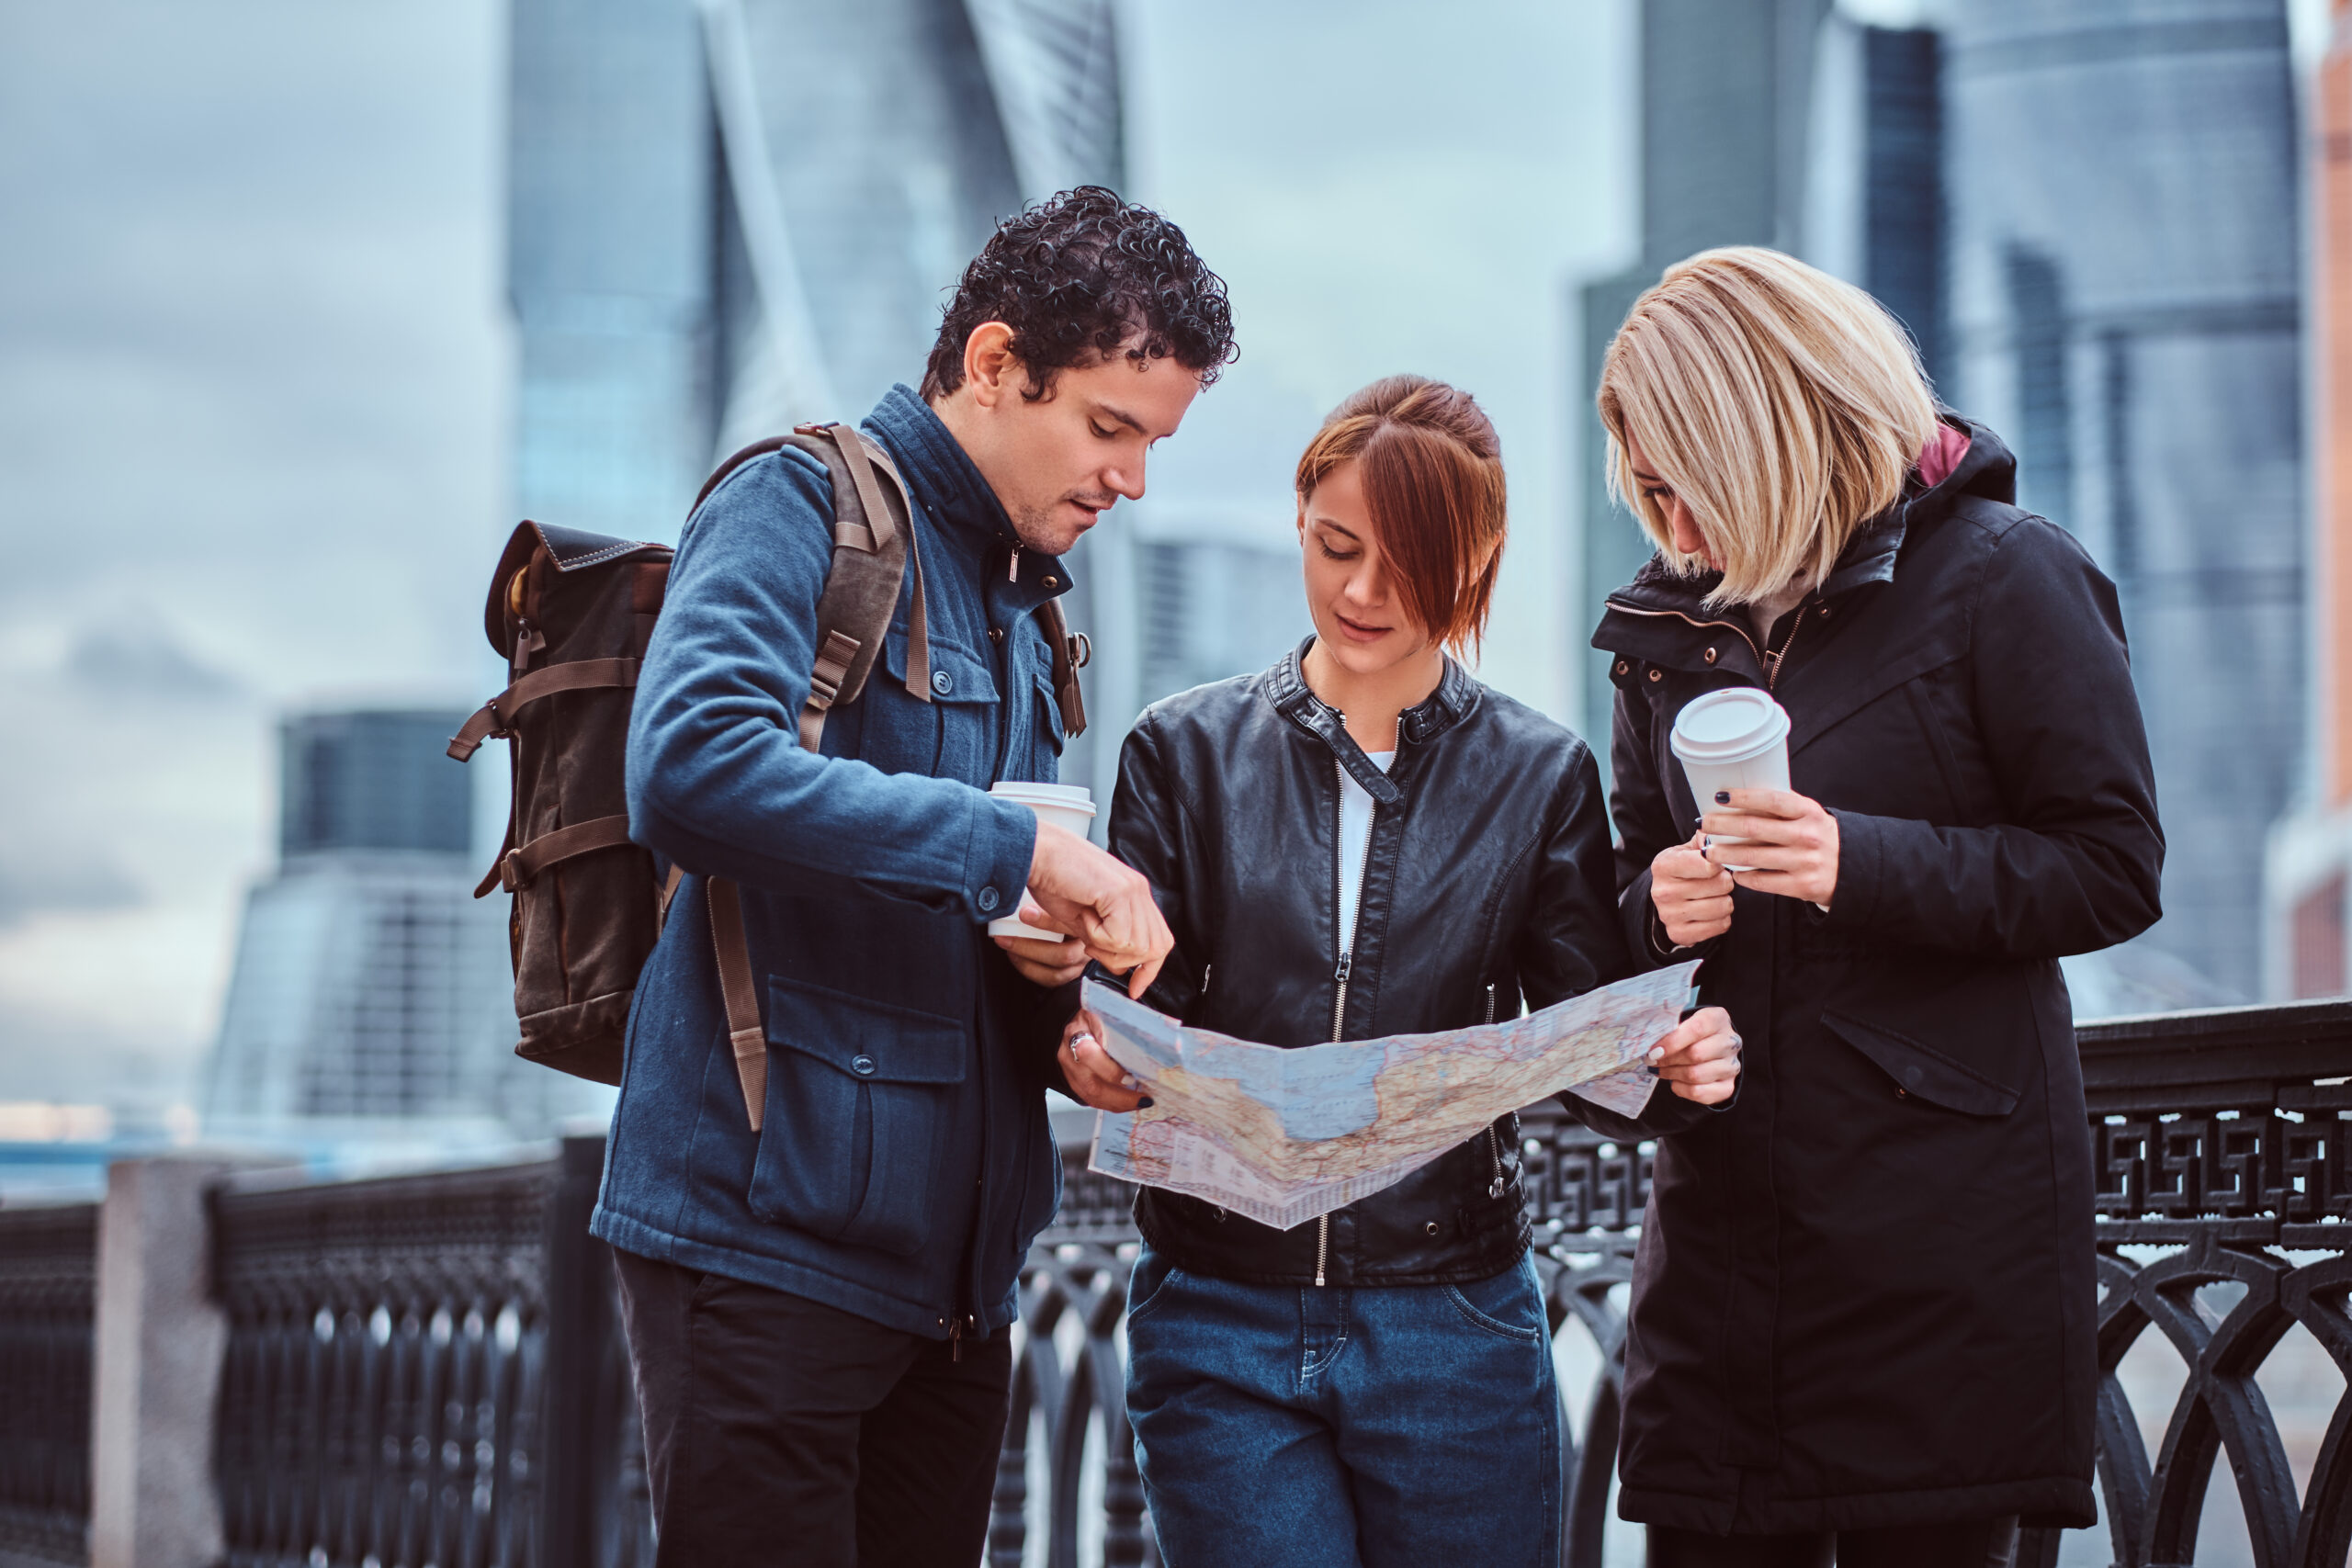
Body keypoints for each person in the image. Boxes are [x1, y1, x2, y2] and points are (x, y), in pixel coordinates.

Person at [592, 187, 1237, 1567]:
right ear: (998, 365)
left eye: (1155, 442)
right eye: (1111, 428)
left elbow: (953, 927)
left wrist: (1071, 1038)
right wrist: (1015, 852)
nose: (1133, 481)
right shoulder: (795, 500)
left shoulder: (1024, 611)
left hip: (952, 1296)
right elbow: (693, 767)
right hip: (762, 1256)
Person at [1003, 375, 1744, 1568]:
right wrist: (1090, 1048)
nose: (1362, 592)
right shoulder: (1179, 753)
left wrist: (1666, 1055)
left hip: (1452, 1323)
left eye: (1406, 563)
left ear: (1476, 559)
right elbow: (1132, 1010)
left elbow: (1586, 1038)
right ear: (1300, 515)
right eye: (1337, 545)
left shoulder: (1537, 775)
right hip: (1220, 1313)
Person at [1589, 247, 2165, 1567]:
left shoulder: (2009, 575)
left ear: (1776, 432)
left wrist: (1858, 861)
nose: (1675, 533)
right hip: (1721, 1266)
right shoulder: (1663, 633)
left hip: (1939, 1260)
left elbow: (2114, 864)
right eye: (1651, 493)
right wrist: (1657, 909)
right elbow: (1619, 896)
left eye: (1693, 486)